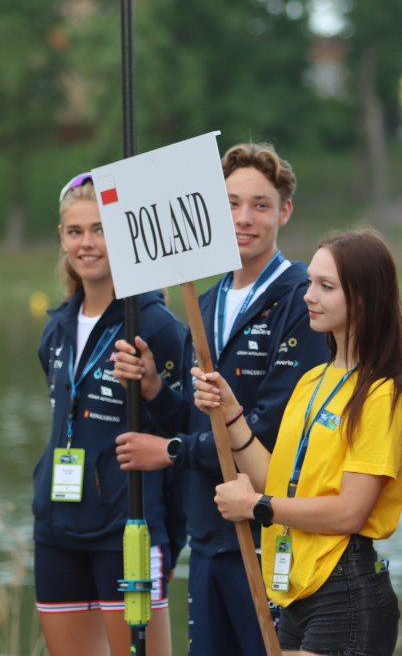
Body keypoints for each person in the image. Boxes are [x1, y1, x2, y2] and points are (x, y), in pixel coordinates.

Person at [113, 143, 329, 655]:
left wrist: (169, 452)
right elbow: (195, 421)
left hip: (268, 535)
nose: (244, 218)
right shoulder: (203, 302)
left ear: (285, 211)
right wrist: (155, 391)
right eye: (231, 203)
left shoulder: (302, 301)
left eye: (260, 205)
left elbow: (270, 429)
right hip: (208, 536)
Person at [194, 229, 402, 656]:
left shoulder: (382, 393)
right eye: (310, 283)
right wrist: (232, 417)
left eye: (325, 286)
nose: (308, 296)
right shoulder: (312, 380)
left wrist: (256, 507)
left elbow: (351, 511)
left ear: (364, 298)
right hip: (297, 587)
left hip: (345, 591)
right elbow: (278, 480)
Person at [31, 173, 190, 656]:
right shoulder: (56, 328)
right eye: (75, 231)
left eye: (101, 230)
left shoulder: (156, 325)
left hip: (129, 528)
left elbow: (190, 431)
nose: (87, 243)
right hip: (56, 528)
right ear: (61, 238)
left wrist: (153, 387)